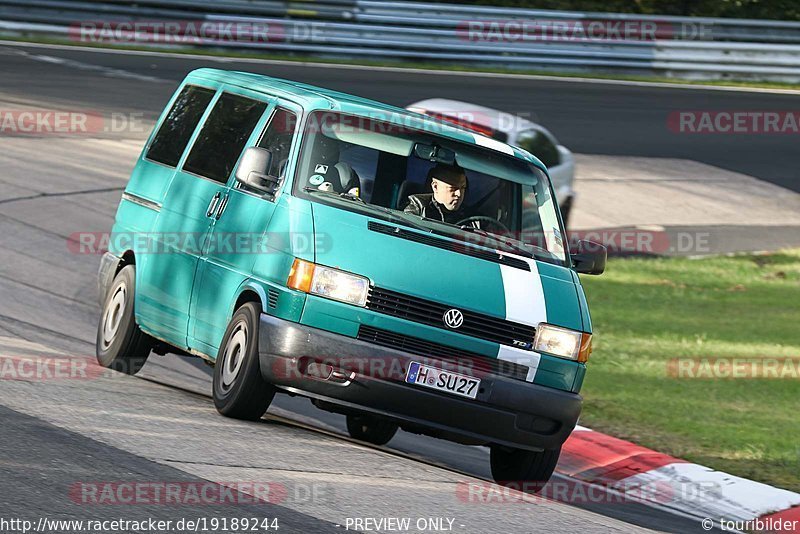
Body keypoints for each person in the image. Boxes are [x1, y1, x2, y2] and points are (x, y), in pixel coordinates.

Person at [404, 163, 470, 224]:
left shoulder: (470, 216)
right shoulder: (418, 207)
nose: (459, 194)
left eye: (463, 187)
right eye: (453, 188)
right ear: (435, 187)